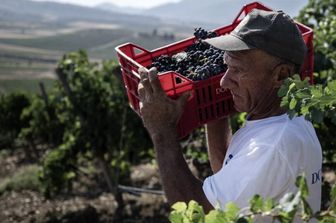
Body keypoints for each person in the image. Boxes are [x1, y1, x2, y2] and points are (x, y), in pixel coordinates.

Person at [137, 8, 322, 216]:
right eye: (226, 66)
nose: (224, 81)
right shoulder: (283, 122)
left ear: (282, 74)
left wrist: (162, 130)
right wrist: (215, 113)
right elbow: (233, 181)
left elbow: (201, 213)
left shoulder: (272, 144)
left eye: (238, 69)